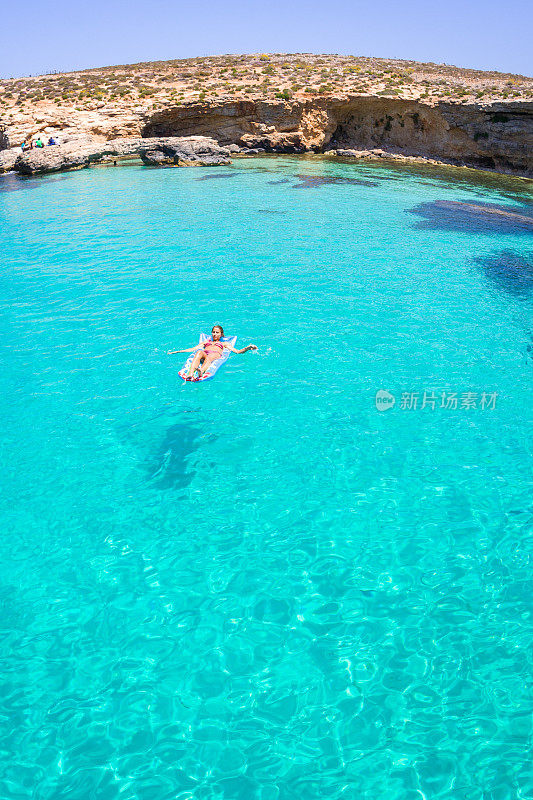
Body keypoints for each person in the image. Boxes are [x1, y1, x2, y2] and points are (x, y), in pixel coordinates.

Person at [168, 324, 257, 380]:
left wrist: (248, 347)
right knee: (199, 352)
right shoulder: (206, 342)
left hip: (214, 355)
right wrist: (176, 352)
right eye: (213, 332)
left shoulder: (224, 343)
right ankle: (190, 373)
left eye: (217, 332)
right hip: (205, 354)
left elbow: (237, 351)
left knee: (210, 357)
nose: (214, 334)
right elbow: (192, 349)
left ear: (221, 334)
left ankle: (201, 371)